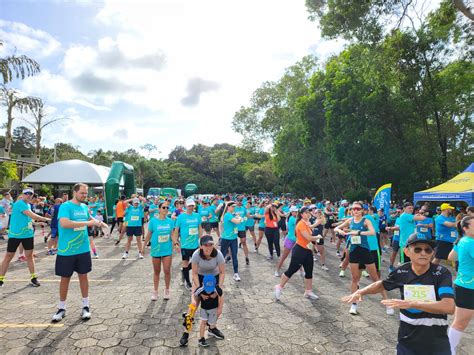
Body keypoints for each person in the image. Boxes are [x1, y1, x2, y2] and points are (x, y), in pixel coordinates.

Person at [342, 233, 455, 355]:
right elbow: (382, 284)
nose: (423, 253)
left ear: (432, 253)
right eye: (417, 249)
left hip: (436, 344)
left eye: (428, 250)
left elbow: (448, 307)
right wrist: (361, 291)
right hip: (407, 341)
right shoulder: (402, 271)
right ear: (407, 252)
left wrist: (411, 303)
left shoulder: (441, 273)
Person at [52, 183, 107, 322]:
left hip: (83, 249)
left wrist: (99, 223)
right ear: (75, 192)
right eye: (82, 193)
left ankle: (86, 306)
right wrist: (86, 223)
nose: (84, 195)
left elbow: (89, 219)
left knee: (84, 276)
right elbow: (64, 223)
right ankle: (61, 308)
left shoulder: (84, 206)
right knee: (65, 279)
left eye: (86, 193)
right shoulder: (66, 206)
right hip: (67, 250)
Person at [335, 201, 392, 315]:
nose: (355, 211)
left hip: (365, 251)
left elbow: (372, 232)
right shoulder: (350, 220)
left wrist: (359, 232)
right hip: (354, 251)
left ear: (362, 210)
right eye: (353, 209)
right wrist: (340, 230)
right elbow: (336, 228)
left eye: (358, 209)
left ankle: (388, 303)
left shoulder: (365, 220)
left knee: (375, 278)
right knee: (355, 279)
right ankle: (354, 304)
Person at [180, 235, 225, 346]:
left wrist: (218, 286)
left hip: (214, 279)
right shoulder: (196, 255)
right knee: (193, 305)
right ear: (201, 246)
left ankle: (212, 328)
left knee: (217, 305)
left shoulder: (218, 254)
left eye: (210, 245)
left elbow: (222, 272)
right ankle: (186, 333)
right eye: (205, 245)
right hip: (199, 278)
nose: (208, 248)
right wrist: (200, 289)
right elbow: (194, 273)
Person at [0, 188, 50, 287]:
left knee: (29, 256)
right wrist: (45, 219)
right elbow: (32, 215)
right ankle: (1, 279)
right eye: (26, 193)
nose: (28, 195)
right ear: (22, 195)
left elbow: (28, 219)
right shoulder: (19, 203)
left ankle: (33, 277)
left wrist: (37, 223)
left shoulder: (28, 205)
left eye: (30, 194)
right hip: (16, 234)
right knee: (9, 256)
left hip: (27, 234)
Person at [274, 206, 320, 301]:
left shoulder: (307, 223)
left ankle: (308, 291)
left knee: (309, 271)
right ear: (302, 214)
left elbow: (311, 235)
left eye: (309, 212)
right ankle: (279, 287)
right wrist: (318, 236)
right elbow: (309, 238)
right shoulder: (300, 224)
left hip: (308, 251)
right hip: (300, 251)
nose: (308, 214)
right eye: (306, 212)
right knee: (291, 270)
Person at [447, 216, 474, 354]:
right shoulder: (470, 243)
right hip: (468, 288)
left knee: (460, 322)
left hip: (463, 285)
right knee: (460, 323)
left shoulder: (462, 241)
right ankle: (448, 349)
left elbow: (451, 257)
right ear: (465, 228)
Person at [142, 201, 177, 300]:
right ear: (159, 209)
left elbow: (172, 234)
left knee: (167, 271)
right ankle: (155, 291)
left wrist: (176, 243)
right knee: (156, 271)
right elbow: (149, 234)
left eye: (167, 208)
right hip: (156, 249)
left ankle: (167, 290)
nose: (166, 209)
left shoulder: (170, 221)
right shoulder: (153, 221)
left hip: (167, 250)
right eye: (164, 208)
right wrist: (143, 246)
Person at [173, 198, 202, 289]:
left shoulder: (197, 216)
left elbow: (200, 228)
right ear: (186, 206)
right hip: (185, 245)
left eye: (192, 205)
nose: (191, 207)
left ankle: (185, 272)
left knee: (196, 263)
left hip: (195, 244)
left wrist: (201, 240)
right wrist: (176, 243)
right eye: (189, 205)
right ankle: (188, 282)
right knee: (185, 263)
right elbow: (176, 230)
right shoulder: (181, 217)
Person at [220, 201, 243, 281]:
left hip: (233, 238)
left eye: (235, 206)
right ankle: (218, 272)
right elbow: (237, 221)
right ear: (228, 207)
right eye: (232, 206)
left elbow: (239, 221)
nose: (234, 208)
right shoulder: (227, 215)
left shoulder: (233, 214)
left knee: (234, 256)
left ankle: (236, 274)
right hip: (226, 238)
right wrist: (239, 217)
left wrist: (238, 217)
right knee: (221, 256)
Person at [275, 206, 298, 276]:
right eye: (295, 212)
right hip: (290, 240)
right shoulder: (292, 218)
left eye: (297, 212)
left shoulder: (294, 218)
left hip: (296, 240)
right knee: (284, 256)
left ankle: (302, 271)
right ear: (291, 212)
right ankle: (277, 270)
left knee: (298, 256)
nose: (296, 213)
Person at [234, 198, 250, 265]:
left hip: (242, 228)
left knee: (244, 242)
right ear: (236, 201)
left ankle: (246, 257)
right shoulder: (234, 208)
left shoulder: (244, 208)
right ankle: (231, 257)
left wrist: (245, 219)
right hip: (235, 228)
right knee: (233, 243)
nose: (239, 202)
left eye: (241, 201)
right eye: (238, 201)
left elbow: (247, 215)